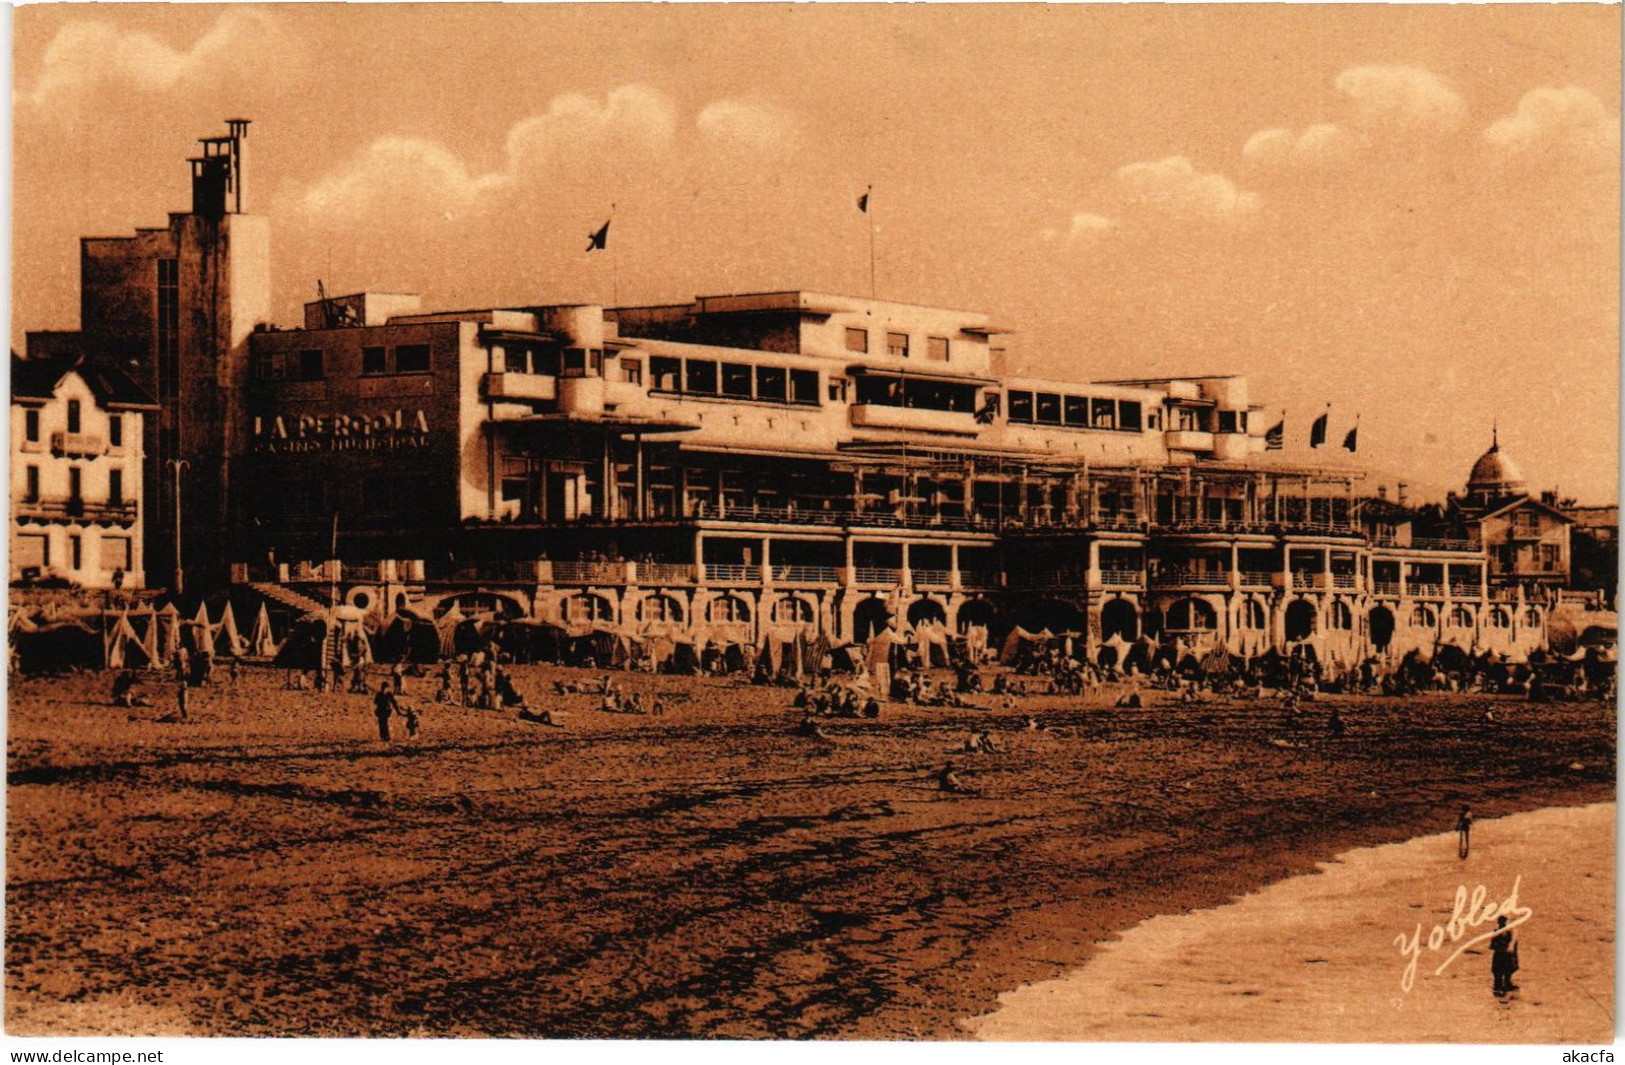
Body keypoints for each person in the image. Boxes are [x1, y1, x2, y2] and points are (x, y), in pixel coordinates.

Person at [1489, 916, 1519, 994]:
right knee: (1504, 972)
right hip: (1503, 955)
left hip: (1501, 955)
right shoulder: (1508, 933)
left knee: (1502, 972)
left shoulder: (1498, 932)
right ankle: (1502, 986)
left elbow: (1492, 946)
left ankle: (1502, 986)